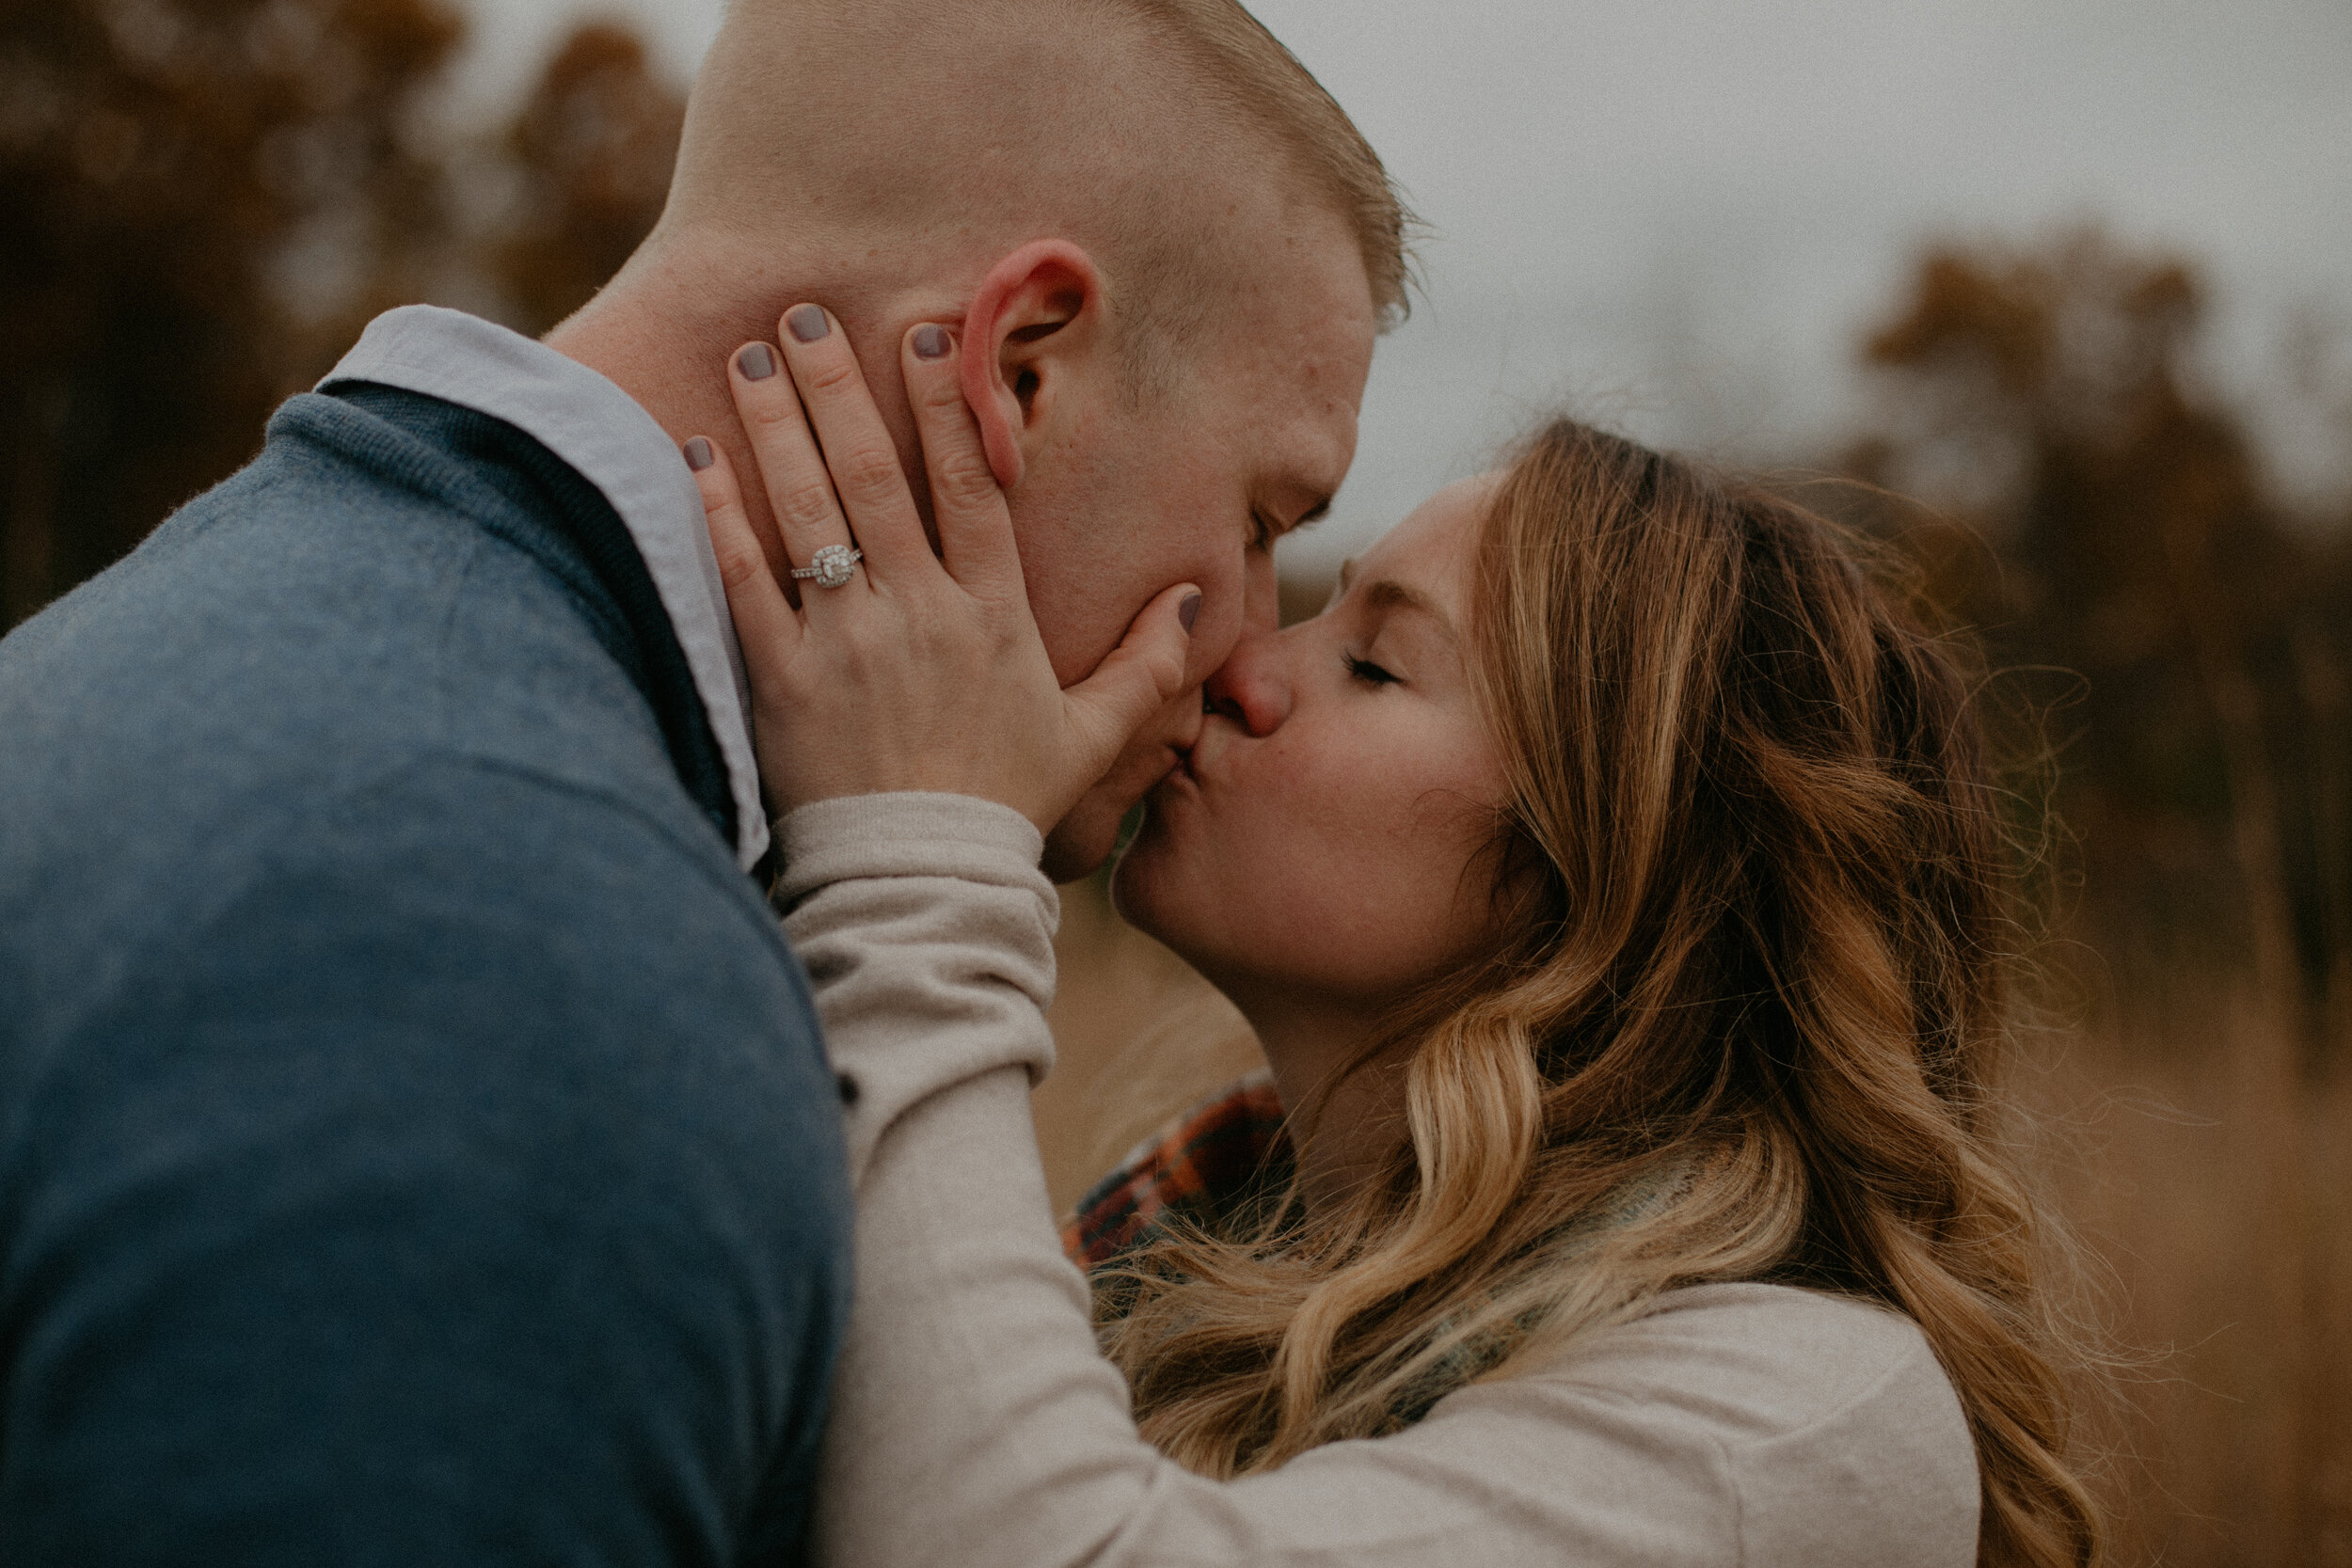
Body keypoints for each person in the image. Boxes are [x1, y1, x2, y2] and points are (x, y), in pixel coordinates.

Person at [0, 1, 1405, 1559]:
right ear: (1020, 368)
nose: (1249, 652)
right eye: (1267, 517)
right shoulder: (532, 972)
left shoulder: (224, 626)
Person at [687, 318, 2108, 1567]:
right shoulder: (1187, 1241)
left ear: (1608, 885)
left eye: (1374, 662)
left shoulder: (1799, 1417)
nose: (1240, 668)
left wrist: (919, 846)